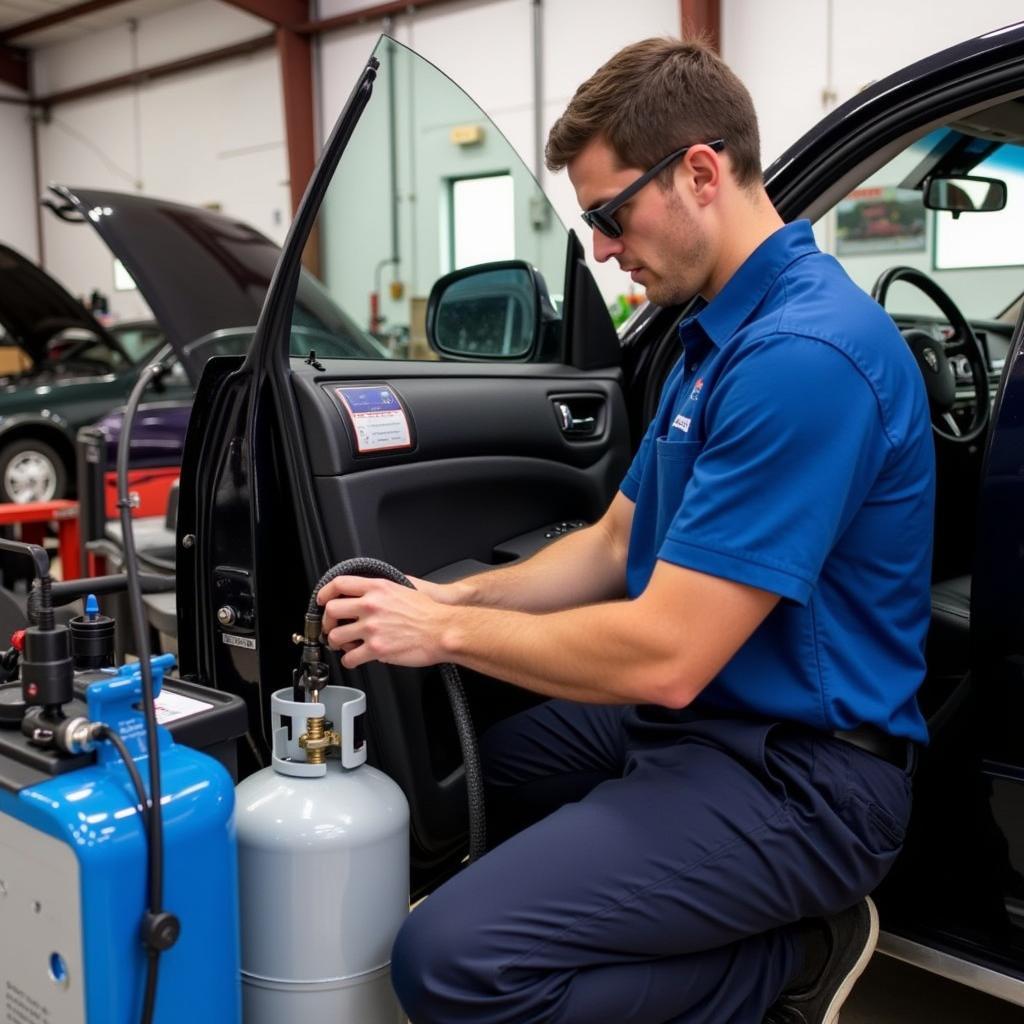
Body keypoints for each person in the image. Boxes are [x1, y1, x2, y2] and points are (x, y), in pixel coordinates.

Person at [318, 37, 934, 1024]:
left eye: (610, 215)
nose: (601, 247)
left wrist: (443, 635)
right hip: (710, 720)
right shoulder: (711, 339)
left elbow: (669, 656)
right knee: (466, 786)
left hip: (803, 775)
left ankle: (781, 959)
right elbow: (612, 543)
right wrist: (445, 596)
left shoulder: (802, 357)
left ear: (698, 171)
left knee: (447, 962)